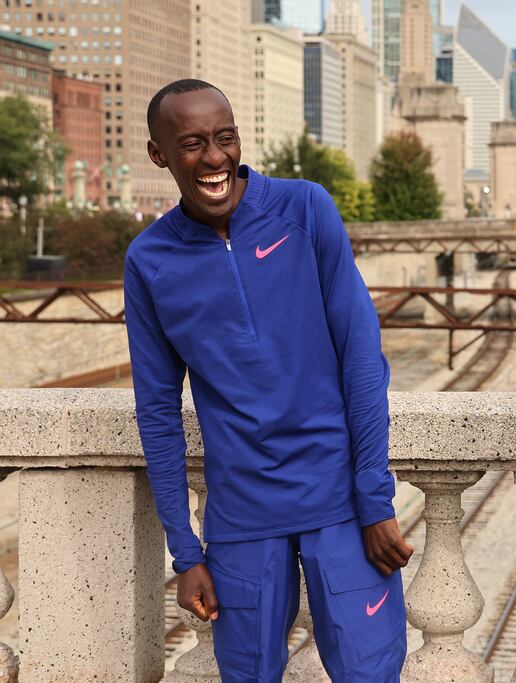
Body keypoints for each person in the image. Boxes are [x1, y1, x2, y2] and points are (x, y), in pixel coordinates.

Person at [124, 79, 411, 682]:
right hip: (241, 520)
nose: (214, 159)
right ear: (159, 155)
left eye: (225, 139)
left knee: (372, 673)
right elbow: (156, 412)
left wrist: (374, 499)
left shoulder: (305, 209)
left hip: (342, 509)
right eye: (193, 144)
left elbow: (361, 358)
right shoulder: (149, 261)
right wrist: (186, 552)